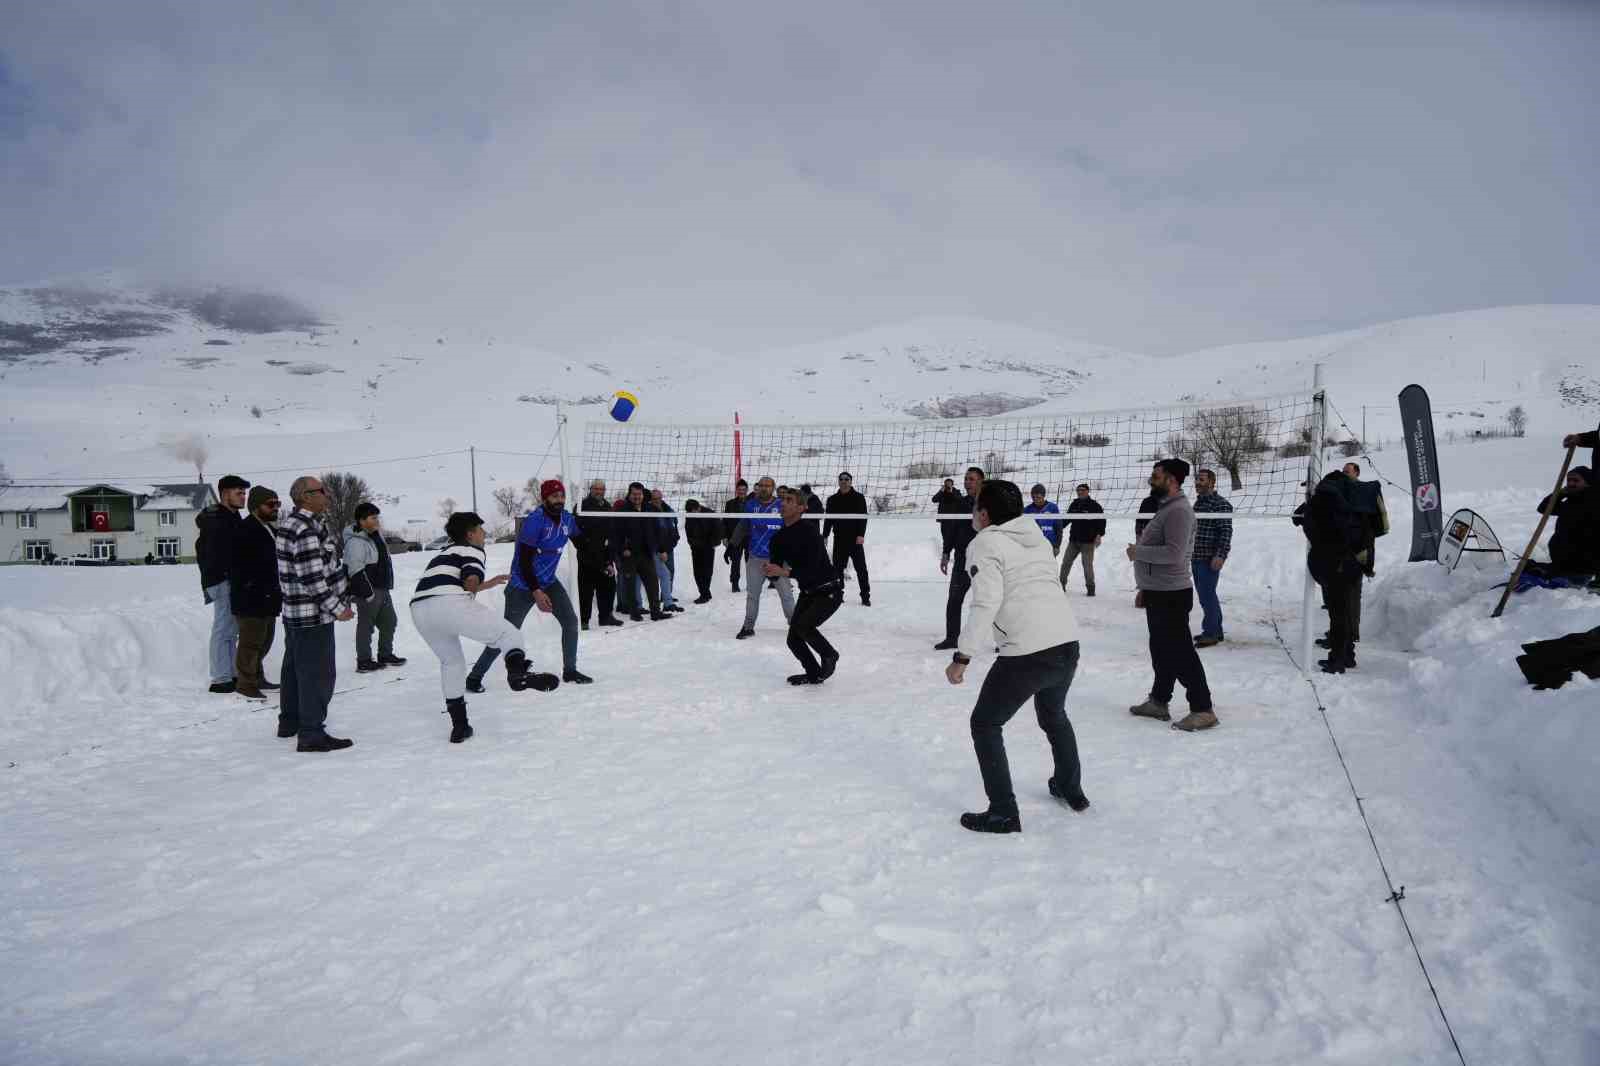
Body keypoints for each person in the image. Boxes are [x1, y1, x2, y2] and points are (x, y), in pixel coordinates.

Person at [944, 479, 1086, 834]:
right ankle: (1071, 789)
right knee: (1054, 715)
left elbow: (986, 602)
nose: (972, 511)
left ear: (985, 513)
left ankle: (1004, 812)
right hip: (1066, 643)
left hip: (1028, 652)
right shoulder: (1035, 534)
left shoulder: (985, 542)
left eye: (975, 504)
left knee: (985, 724)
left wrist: (963, 656)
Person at [410, 511, 560, 743]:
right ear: (470, 534)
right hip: (449, 603)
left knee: (452, 663)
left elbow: (454, 583)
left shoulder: (444, 553)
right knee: (509, 634)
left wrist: (486, 584)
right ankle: (517, 674)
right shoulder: (472, 550)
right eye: (481, 530)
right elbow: (469, 580)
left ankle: (460, 727)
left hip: (420, 610)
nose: (484, 533)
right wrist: (475, 582)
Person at [468, 479, 591, 689]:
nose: (559, 500)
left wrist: (603, 557)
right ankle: (474, 677)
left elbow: (582, 543)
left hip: (548, 581)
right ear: (544, 499)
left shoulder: (567, 519)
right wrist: (536, 591)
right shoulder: (535, 521)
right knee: (507, 634)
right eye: (554, 496)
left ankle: (570, 671)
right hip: (523, 585)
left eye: (561, 496)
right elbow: (524, 562)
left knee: (570, 622)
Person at [1125, 459, 1216, 730]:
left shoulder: (1179, 511)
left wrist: (1137, 552)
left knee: (1180, 653)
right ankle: (1159, 700)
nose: (1151, 479)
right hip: (1158, 592)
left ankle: (1203, 708)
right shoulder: (1166, 508)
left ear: (1172, 480)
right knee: (1161, 650)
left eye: (1156, 475)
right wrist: (1145, 588)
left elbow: (1174, 554)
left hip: (1172, 594)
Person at [274, 475, 356, 751]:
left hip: (295, 613)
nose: (326, 495)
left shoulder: (290, 524)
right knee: (317, 674)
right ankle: (311, 733)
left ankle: (290, 721)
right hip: (312, 615)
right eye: (321, 491)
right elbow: (312, 578)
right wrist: (337, 608)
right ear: (305, 496)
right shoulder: (306, 529)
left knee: (295, 670)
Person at [766, 488, 843, 684]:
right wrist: (769, 571)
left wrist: (782, 572)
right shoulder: (778, 538)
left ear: (802, 508)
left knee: (804, 626)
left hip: (828, 590)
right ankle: (814, 674)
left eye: (789, 500)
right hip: (808, 591)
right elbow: (776, 569)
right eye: (782, 500)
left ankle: (830, 655)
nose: (783, 503)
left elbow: (812, 568)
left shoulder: (809, 531)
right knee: (793, 639)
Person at [1303, 471, 1367, 674]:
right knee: (1346, 611)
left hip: (1331, 563)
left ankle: (1337, 660)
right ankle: (1348, 655)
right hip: (1354, 561)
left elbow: (1310, 527)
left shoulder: (1322, 499)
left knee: (1337, 614)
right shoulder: (1353, 496)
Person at [196, 474, 250, 693]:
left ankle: (230, 673)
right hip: (222, 579)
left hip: (230, 579)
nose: (243, 497)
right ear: (225, 494)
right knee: (223, 627)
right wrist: (221, 577)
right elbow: (211, 553)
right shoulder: (216, 519)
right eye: (239, 493)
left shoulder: (231, 517)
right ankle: (220, 677)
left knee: (231, 628)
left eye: (244, 492)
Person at [230, 486, 282, 701]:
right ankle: (245, 683)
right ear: (256, 506)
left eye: (277, 504)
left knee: (265, 640)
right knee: (250, 643)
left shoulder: (268, 527)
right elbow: (240, 566)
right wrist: (252, 587)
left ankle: (258, 677)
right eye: (271, 504)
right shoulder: (246, 529)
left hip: (268, 597)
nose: (275, 508)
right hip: (251, 598)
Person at [343, 502, 405, 672]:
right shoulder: (355, 542)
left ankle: (385, 654)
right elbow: (355, 569)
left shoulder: (376, 535)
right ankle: (363, 661)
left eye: (377, 517)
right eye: (373, 518)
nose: (377, 521)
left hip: (382, 588)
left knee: (390, 622)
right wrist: (367, 593)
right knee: (366, 626)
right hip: (369, 590)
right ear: (361, 520)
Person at [736, 476, 795, 638]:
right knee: (752, 595)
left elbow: (791, 529)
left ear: (773, 487)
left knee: (786, 595)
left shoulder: (781, 505)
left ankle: (796, 626)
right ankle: (748, 626)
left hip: (777, 560)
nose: (763, 488)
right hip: (755, 558)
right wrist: (733, 544)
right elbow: (743, 526)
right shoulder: (750, 505)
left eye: (767, 486)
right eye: (761, 485)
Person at [934, 467, 984, 651]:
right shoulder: (961, 503)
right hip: (963, 558)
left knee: (991, 600)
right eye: (966, 479)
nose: (967, 482)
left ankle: (1003, 641)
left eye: (971, 479)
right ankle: (952, 638)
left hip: (985, 560)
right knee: (954, 599)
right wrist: (946, 553)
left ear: (981, 481)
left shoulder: (991, 503)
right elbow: (952, 530)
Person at [613, 482, 673, 622]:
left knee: (652, 583)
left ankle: (655, 612)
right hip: (629, 554)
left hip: (646, 553)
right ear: (629, 494)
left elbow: (658, 531)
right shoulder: (623, 511)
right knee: (631, 585)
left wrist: (661, 549)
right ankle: (634, 612)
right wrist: (623, 549)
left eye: (639, 494)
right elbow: (616, 534)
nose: (637, 497)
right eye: (634, 494)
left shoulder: (649, 508)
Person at [1190, 469, 1234, 648]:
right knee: (1205, 596)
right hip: (1196, 556)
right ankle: (1216, 630)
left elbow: (1226, 532)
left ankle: (1211, 633)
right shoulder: (1198, 504)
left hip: (1209, 559)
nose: (1198, 482)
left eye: (1201, 479)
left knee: (1208, 596)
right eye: (1197, 479)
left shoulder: (1221, 504)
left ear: (1212, 482)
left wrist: (1220, 555)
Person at [1535, 466, 1600, 578]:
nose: (1571, 483)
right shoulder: (1569, 502)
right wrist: (1560, 493)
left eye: (1576, 480)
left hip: (1582, 565)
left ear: (1588, 483)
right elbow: (1543, 508)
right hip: (1564, 562)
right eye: (1569, 480)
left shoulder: (1593, 503)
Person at [575, 480, 622, 630]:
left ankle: (605, 616)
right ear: (591, 489)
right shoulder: (582, 506)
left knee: (608, 586)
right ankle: (584, 621)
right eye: (596, 489)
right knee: (586, 591)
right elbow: (575, 533)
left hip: (605, 557)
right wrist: (585, 546)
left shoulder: (608, 507)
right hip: (587, 557)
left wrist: (610, 557)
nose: (599, 491)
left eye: (602, 489)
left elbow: (612, 532)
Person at [823, 470, 871, 606]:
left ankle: (865, 596)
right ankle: (839, 595)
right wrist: (825, 535)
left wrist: (861, 535)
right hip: (839, 539)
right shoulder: (832, 499)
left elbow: (863, 518)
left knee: (861, 569)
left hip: (855, 539)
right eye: (841, 479)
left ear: (851, 482)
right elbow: (828, 519)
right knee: (837, 569)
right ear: (839, 482)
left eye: (846, 479)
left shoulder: (859, 498)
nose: (844, 481)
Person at [1059, 483, 1105, 595]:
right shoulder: (1074, 504)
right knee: (1066, 563)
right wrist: (1058, 527)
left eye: (1082, 490)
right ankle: (1061, 585)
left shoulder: (1095, 506)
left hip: (1088, 542)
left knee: (1087, 565)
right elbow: (1067, 519)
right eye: (1078, 490)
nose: (1080, 492)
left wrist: (1099, 535)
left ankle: (1090, 588)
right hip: (1074, 540)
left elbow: (1102, 522)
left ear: (1088, 491)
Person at [650, 488, 684, 612]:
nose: (657, 501)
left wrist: (676, 537)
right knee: (662, 574)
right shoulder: (649, 511)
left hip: (668, 547)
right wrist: (660, 549)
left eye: (659, 498)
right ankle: (664, 600)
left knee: (670, 572)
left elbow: (674, 523)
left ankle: (666, 597)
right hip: (657, 549)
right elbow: (653, 533)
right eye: (654, 499)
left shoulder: (668, 509)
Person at [684, 499, 721, 603]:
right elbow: (688, 531)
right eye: (690, 512)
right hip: (696, 548)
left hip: (708, 547)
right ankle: (704, 593)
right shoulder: (689, 515)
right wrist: (691, 543)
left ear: (698, 507)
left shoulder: (710, 514)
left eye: (693, 511)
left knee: (707, 571)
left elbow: (718, 530)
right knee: (697, 572)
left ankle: (705, 594)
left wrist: (712, 543)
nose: (691, 513)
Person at [723, 479, 750, 592]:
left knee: (751, 562)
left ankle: (752, 583)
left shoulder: (753, 502)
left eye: (744, 490)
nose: (741, 492)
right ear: (736, 491)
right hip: (735, 537)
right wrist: (724, 537)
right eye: (739, 490)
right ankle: (735, 583)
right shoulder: (730, 504)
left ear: (747, 490)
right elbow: (725, 521)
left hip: (750, 536)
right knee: (735, 561)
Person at [1023, 483, 1063, 555]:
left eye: (1038, 497)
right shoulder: (1027, 510)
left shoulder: (1053, 508)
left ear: (1043, 496)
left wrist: (1057, 546)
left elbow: (1059, 528)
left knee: (1049, 566)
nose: (1035, 499)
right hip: (1033, 546)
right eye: (1033, 497)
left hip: (1050, 545)